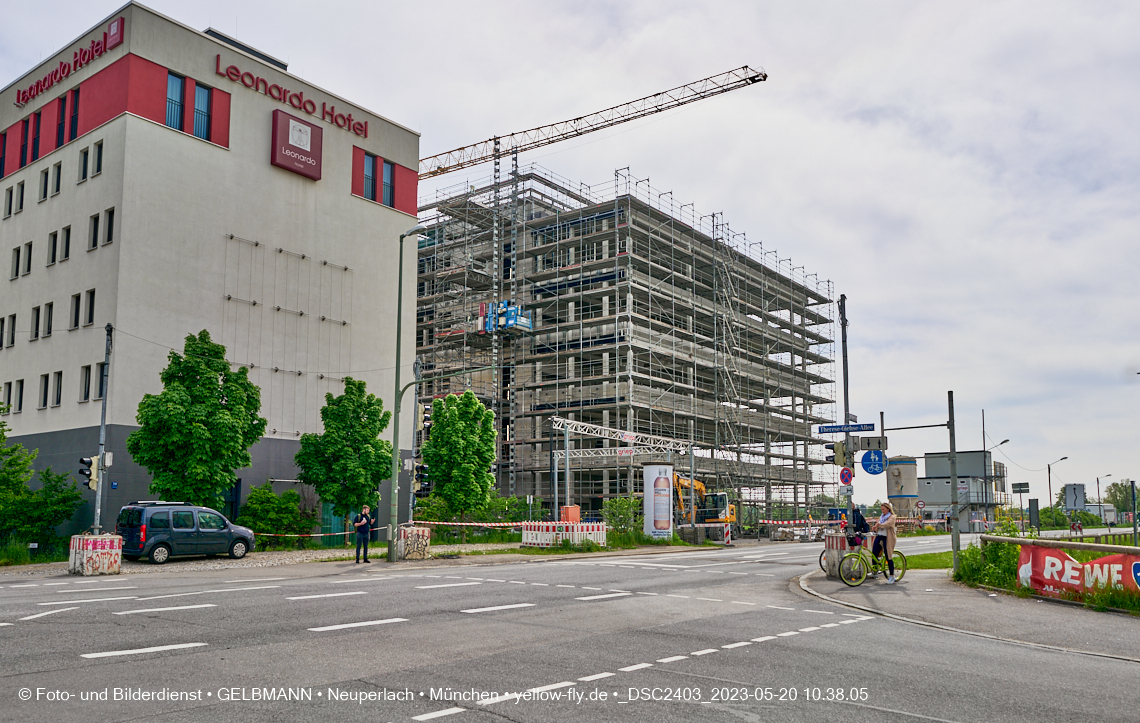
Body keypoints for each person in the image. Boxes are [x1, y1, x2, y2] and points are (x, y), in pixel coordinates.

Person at [871, 502, 897, 583]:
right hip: (879, 536)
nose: (882, 511)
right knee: (874, 553)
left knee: (888, 556)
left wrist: (879, 525)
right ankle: (875, 572)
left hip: (887, 538)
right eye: (881, 509)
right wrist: (875, 527)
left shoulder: (892, 517)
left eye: (883, 509)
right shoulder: (881, 517)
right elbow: (878, 524)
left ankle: (892, 576)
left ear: (888, 509)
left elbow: (888, 524)